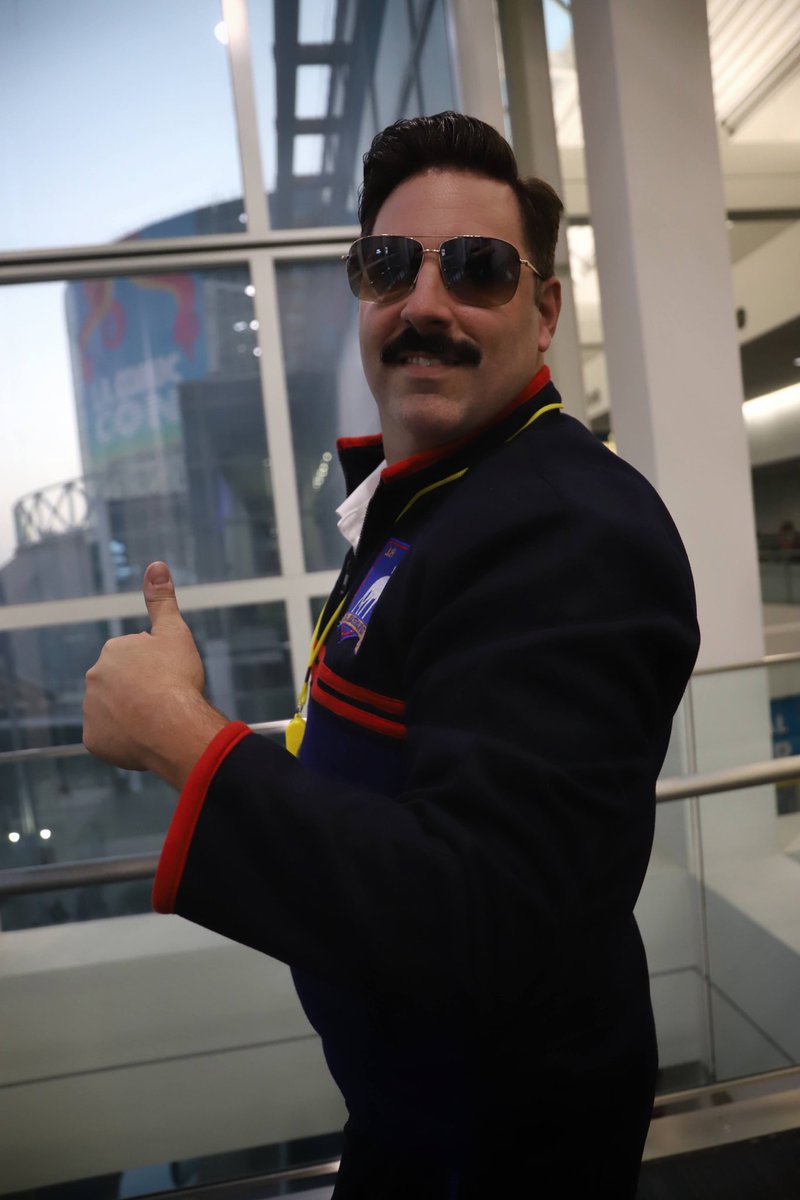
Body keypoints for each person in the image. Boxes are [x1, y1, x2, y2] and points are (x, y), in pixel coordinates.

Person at [83, 111, 700, 1197]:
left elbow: (483, 915)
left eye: (477, 268)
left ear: (544, 312)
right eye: (388, 265)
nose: (424, 304)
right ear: (360, 294)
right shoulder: (438, 500)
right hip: (420, 1116)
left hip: (504, 1152)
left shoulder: (565, 531)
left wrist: (182, 736)